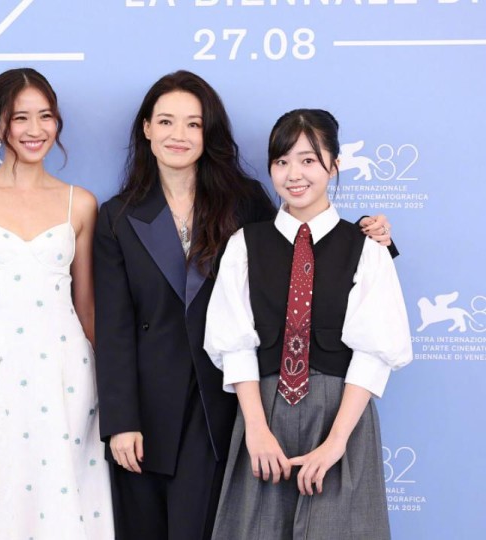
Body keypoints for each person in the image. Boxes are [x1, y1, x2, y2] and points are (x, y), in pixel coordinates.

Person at [94, 72, 395, 540]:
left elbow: (301, 251)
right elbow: (113, 326)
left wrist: (373, 242)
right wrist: (120, 420)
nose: (179, 134)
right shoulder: (118, 216)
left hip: (224, 405)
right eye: (166, 121)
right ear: (147, 128)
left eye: (193, 123)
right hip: (154, 406)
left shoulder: (244, 204)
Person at [204, 109, 412, 539]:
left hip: (340, 414)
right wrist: (256, 430)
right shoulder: (245, 244)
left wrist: (336, 443)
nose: (294, 174)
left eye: (308, 160)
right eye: (282, 161)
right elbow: (234, 343)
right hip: (263, 410)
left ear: (334, 166)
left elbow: (374, 353)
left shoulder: (368, 248)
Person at [0, 68, 114, 539]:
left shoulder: (81, 204)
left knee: (59, 498)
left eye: (46, 116)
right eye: (20, 117)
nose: (36, 130)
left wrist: (114, 396)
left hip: (65, 375)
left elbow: (87, 309)